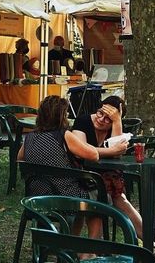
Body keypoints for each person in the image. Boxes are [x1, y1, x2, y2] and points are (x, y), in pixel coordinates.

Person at [72, 96, 155, 261]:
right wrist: (111, 150)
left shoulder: (114, 125)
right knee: (103, 196)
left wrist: (117, 122)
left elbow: (116, 155)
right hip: (82, 175)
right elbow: (82, 152)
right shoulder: (83, 121)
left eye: (108, 118)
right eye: (100, 113)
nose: (101, 119)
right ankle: (90, 251)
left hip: (105, 175)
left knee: (120, 199)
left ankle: (150, 245)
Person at [17, 96, 102, 240]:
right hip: (65, 198)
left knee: (82, 192)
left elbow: (20, 159)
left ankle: (71, 245)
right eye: (66, 113)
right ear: (61, 116)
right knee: (100, 197)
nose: (68, 115)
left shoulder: (30, 137)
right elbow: (94, 155)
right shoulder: (63, 135)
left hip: (37, 197)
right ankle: (88, 250)